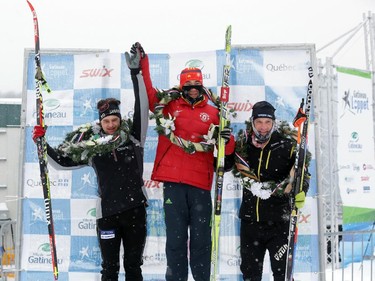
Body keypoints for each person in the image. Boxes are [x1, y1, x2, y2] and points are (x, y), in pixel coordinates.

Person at [32, 50, 149, 281]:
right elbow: (62, 163)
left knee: (134, 267)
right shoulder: (93, 149)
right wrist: (42, 143)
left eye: (115, 120)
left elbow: (142, 106)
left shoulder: (134, 139)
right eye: (107, 121)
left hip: (135, 211)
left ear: (120, 120)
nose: (112, 125)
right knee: (109, 268)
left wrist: (136, 73)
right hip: (107, 216)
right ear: (101, 122)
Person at [130, 42, 235, 281]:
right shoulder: (168, 106)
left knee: (201, 241)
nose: (193, 89)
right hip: (173, 182)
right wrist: (142, 65)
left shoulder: (215, 111)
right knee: (176, 240)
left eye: (196, 84)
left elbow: (227, 150)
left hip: (200, 184)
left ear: (202, 85)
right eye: (188, 85)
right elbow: (148, 93)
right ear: (181, 86)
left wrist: (227, 139)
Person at [233, 101, 310, 281]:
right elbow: (229, 164)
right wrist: (225, 143)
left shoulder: (287, 145)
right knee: (250, 275)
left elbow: (301, 174)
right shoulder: (244, 144)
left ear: (274, 123)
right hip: (250, 222)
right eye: (259, 122)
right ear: (252, 122)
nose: (263, 127)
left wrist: (301, 191)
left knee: (282, 274)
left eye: (267, 122)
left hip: (279, 223)